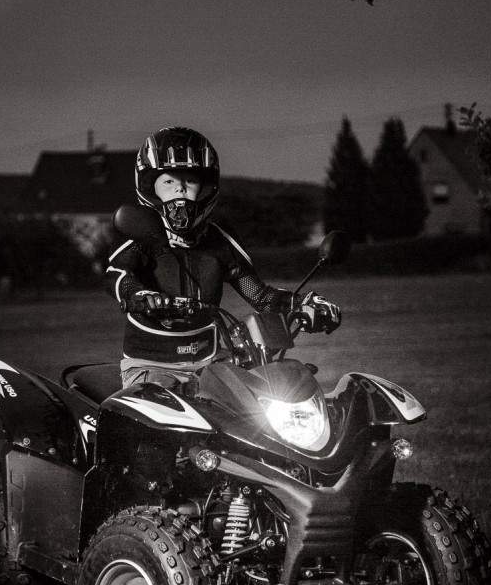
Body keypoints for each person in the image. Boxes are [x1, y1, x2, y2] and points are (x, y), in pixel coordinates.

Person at [106, 126, 341, 392]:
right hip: (151, 365)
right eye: (169, 181)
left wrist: (301, 304)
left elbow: (260, 295)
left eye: (190, 181)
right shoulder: (142, 235)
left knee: (256, 414)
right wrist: (140, 295)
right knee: (161, 422)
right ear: (151, 187)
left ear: (205, 188)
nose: (180, 191)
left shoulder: (218, 241)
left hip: (211, 363)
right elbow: (117, 276)